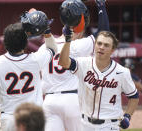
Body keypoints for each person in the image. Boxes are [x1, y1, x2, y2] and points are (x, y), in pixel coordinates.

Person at [0, 10, 57, 131]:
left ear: (5, 43)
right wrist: (46, 30)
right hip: (34, 117)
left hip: (9, 119)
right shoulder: (36, 59)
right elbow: (53, 48)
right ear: (25, 43)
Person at [39, 0, 110, 131]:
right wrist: (101, 7)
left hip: (49, 102)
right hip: (73, 100)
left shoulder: (43, 47)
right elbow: (105, 34)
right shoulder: (78, 46)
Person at [59, 30, 139, 131]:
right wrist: (68, 41)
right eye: (99, 43)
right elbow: (63, 62)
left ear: (112, 50)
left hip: (109, 125)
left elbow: (134, 96)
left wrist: (127, 116)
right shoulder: (84, 63)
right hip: (85, 124)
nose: (101, 47)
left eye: (106, 45)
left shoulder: (122, 72)